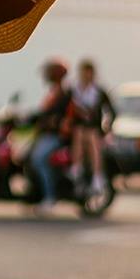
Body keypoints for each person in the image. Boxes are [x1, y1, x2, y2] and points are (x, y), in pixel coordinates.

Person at [25, 56, 73, 210]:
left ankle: (49, 197)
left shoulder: (63, 93)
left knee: (39, 160)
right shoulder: (54, 92)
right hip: (46, 134)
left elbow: (53, 115)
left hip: (55, 136)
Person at [69, 58, 116, 196]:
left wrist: (107, 128)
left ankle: (96, 176)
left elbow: (111, 111)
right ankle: (77, 168)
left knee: (89, 136)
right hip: (77, 128)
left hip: (93, 129)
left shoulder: (98, 92)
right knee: (80, 132)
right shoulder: (74, 90)